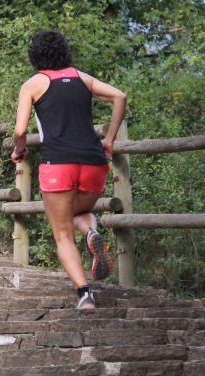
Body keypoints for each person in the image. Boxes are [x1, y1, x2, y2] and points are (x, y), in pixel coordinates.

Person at [10, 30, 127, 310]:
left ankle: (85, 294)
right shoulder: (83, 78)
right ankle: (90, 232)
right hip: (94, 162)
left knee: (62, 234)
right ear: (65, 52)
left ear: (35, 55)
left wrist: (19, 149)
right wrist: (109, 140)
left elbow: (19, 130)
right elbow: (119, 96)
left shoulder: (33, 84)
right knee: (79, 212)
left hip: (58, 164)